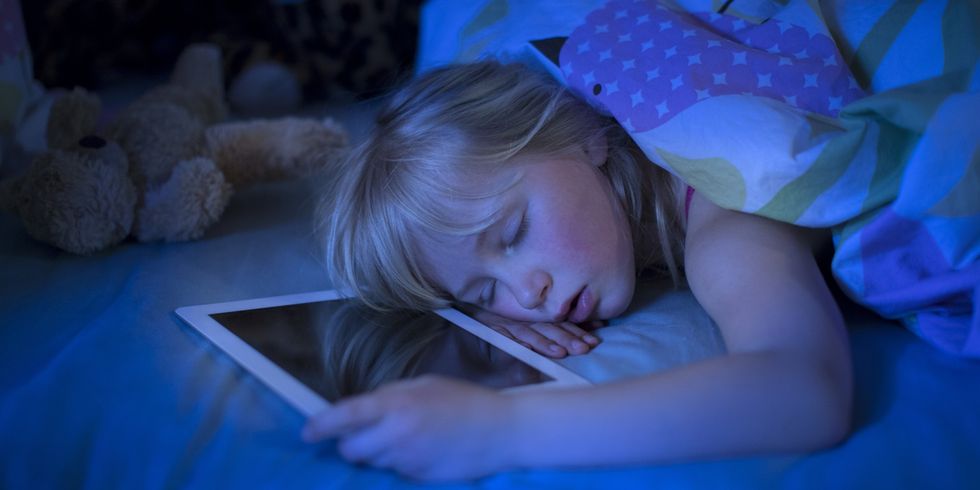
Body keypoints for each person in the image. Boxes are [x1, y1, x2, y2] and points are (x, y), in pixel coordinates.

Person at [303, 59, 852, 481]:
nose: (527, 293)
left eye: (513, 234)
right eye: (484, 290)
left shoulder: (726, 221)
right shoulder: (555, 201)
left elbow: (806, 392)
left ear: (586, 133)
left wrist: (500, 430)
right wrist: (480, 320)